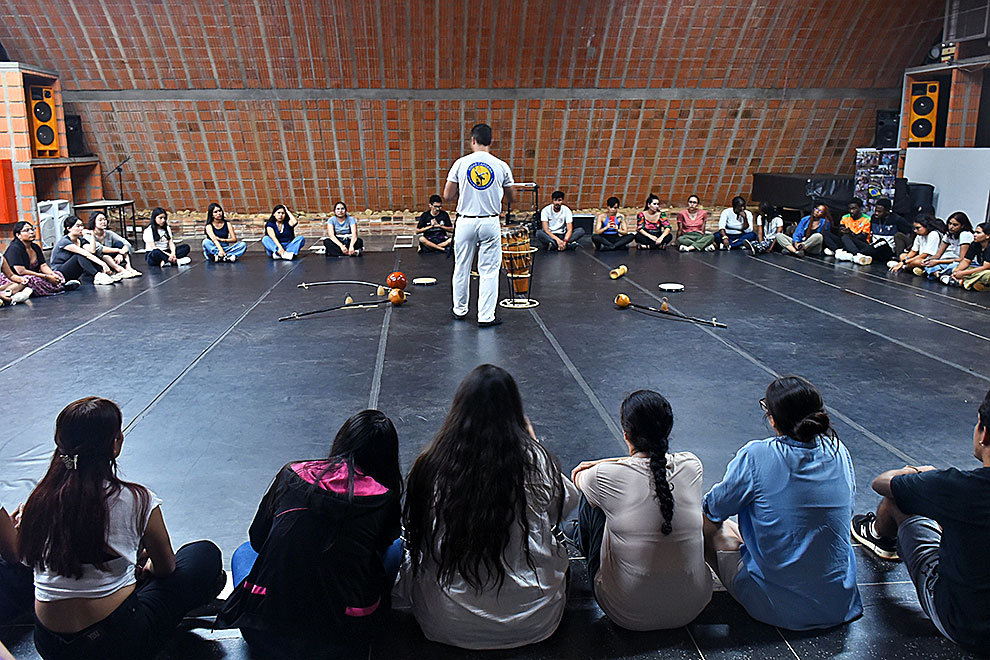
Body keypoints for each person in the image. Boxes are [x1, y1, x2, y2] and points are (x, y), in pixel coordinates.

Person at [18, 397, 224, 660]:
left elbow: (26, 559)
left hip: (50, 645)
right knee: (202, 555)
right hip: (116, 643)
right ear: (115, 444)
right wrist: (145, 569)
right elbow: (166, 568)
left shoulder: (38, 500)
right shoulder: (136, 499)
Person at [395, 364, 578, 649]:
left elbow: (415, 531)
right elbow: (564, 507)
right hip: (534, 619)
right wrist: (531, 442)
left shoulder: (431, 465)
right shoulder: (536, 461)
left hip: (445, 620)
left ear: (458, 411)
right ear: (515, 412)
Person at [217, 410, 403, 660]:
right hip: (344, 642)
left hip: (263, 633)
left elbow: (258, 539)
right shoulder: (384, 497)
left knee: (243, 552)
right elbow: (382, 545)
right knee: (395, 550)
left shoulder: (292, 474)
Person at [702, 376, 862, 630]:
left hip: (779, 609)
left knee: (709, 525)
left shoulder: (757, 455)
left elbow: (714, 508)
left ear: (773, 419)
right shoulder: (839, 451)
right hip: (840, 603)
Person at [850, 389, 990, 654]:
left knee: (899, 502)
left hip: (965, 625)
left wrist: (919, 476)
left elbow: (881, 483)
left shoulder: (958, 487)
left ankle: (879, 535)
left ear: (984, 433)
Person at [569, 390, 711, 630]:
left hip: (626, 612)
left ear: (626, 434)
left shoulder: (604, 476)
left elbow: (578, 475)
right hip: (692, 607)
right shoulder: (692, 464)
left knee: (593, 502)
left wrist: (605, 463)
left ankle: (579, 540)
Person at [444, 123, 514, 327]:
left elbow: (447, 195)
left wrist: (464, 192)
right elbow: (511, 197)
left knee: (462, 267)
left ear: (472, 140)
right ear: (491, 141)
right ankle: (485, 316)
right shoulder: (501, 165)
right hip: (490, 221)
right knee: (489, 271)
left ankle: (459, 310)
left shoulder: (461, 163)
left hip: (465, 220)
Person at [3, 221, 78, 295]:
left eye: (32, 229)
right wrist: (46, 276)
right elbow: (21, 271)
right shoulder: (14, 249)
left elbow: (43, 265)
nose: (32, 232)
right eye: (27, 230)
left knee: (58, 274)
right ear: (18, 235)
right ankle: (60, 287)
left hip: (34, 274)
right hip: (16, 278)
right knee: (31, 280)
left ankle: (57, 286)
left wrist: (52, 274)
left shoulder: (35, 247)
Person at [51, 216, 117, 284]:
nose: (81, 228)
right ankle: (97, 275)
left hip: (74, 271)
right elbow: (84, 253)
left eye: (82, 225)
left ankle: (104, 274)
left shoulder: (80, 240)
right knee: (80, 255)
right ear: (69, 228)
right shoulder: (65, 241)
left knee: (93, 255)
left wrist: (92, 235)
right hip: (60, 273)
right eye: (78, 226)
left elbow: (92, 251)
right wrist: (103, 264)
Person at [85, 211, 141, 278]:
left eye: (105, 219)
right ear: (93, 222)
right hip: (98, 260)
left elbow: (126, 243)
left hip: (112, 258)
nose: (103, 222)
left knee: (120, 244)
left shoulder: (109, 233)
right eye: (100, 220)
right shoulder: (88, 235)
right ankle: (120, 270)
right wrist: (118, 251)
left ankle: (129, 267)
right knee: (104, 255)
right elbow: (100, 248)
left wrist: (120, 254)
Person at [920, 211, 973, 279]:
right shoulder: (949, 234)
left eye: (955, 225)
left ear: (962, 226)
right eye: (950, 224)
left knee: (953, 267)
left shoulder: (965, 234)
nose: (951, 227)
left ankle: (938, 274)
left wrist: (937, 262)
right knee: (928, 263)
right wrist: (929, 260)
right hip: (949, 260)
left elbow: (962, 259)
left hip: (961, 263)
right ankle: (939, 275)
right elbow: (938, 255)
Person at [829, 198, 875, 265]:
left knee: (846, 237)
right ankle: (839, 251)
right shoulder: (845, 217)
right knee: (825, 233)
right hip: (846, 241)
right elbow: (841, 229)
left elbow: (863, 237)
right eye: (849, 209)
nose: (851, 211)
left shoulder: (867, 219)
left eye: (854, 209)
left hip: (860, 243)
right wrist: (841, 230)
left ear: (860, 208)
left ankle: (856, 254)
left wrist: (851, 234)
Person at [946, 221, 990, 290]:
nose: (974, 235)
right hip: (980, 269)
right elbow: (966, 260)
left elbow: (986, 267)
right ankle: (972, 283)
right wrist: (957, 271)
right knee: (955, 267)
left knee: (987, 274)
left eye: (978, 233)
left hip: (986, 270)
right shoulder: (975, 244)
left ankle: (963, 282)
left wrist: (963, 273)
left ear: (988, 236)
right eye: (975, 232)